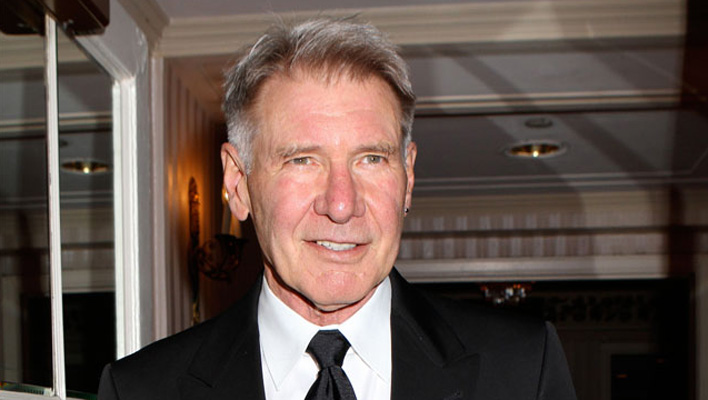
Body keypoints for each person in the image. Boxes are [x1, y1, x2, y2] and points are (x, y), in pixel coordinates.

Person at [98, 17, 577, 400]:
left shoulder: (522, 369)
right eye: (302, 160)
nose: (342, 204)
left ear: (408, 178)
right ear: (238, 183)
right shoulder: (141, 390)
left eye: (371, 158)